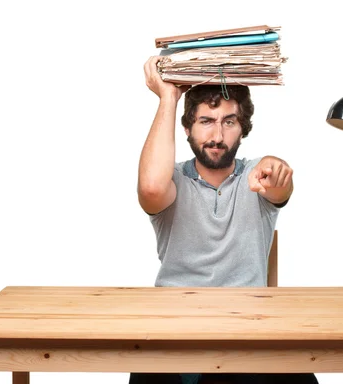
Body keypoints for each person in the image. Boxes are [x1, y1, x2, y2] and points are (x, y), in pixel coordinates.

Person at [130, 56, 318, 384]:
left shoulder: (255, 174)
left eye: (229, 122)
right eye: (206, 121)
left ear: (243, 128)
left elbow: (278, 180)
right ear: (186, 127)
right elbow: (150, 187)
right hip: (175, 330)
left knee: (297, 374)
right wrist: (168, 97)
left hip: (248, 331)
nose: (217, 135)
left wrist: (276, 173)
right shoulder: (171, 180)